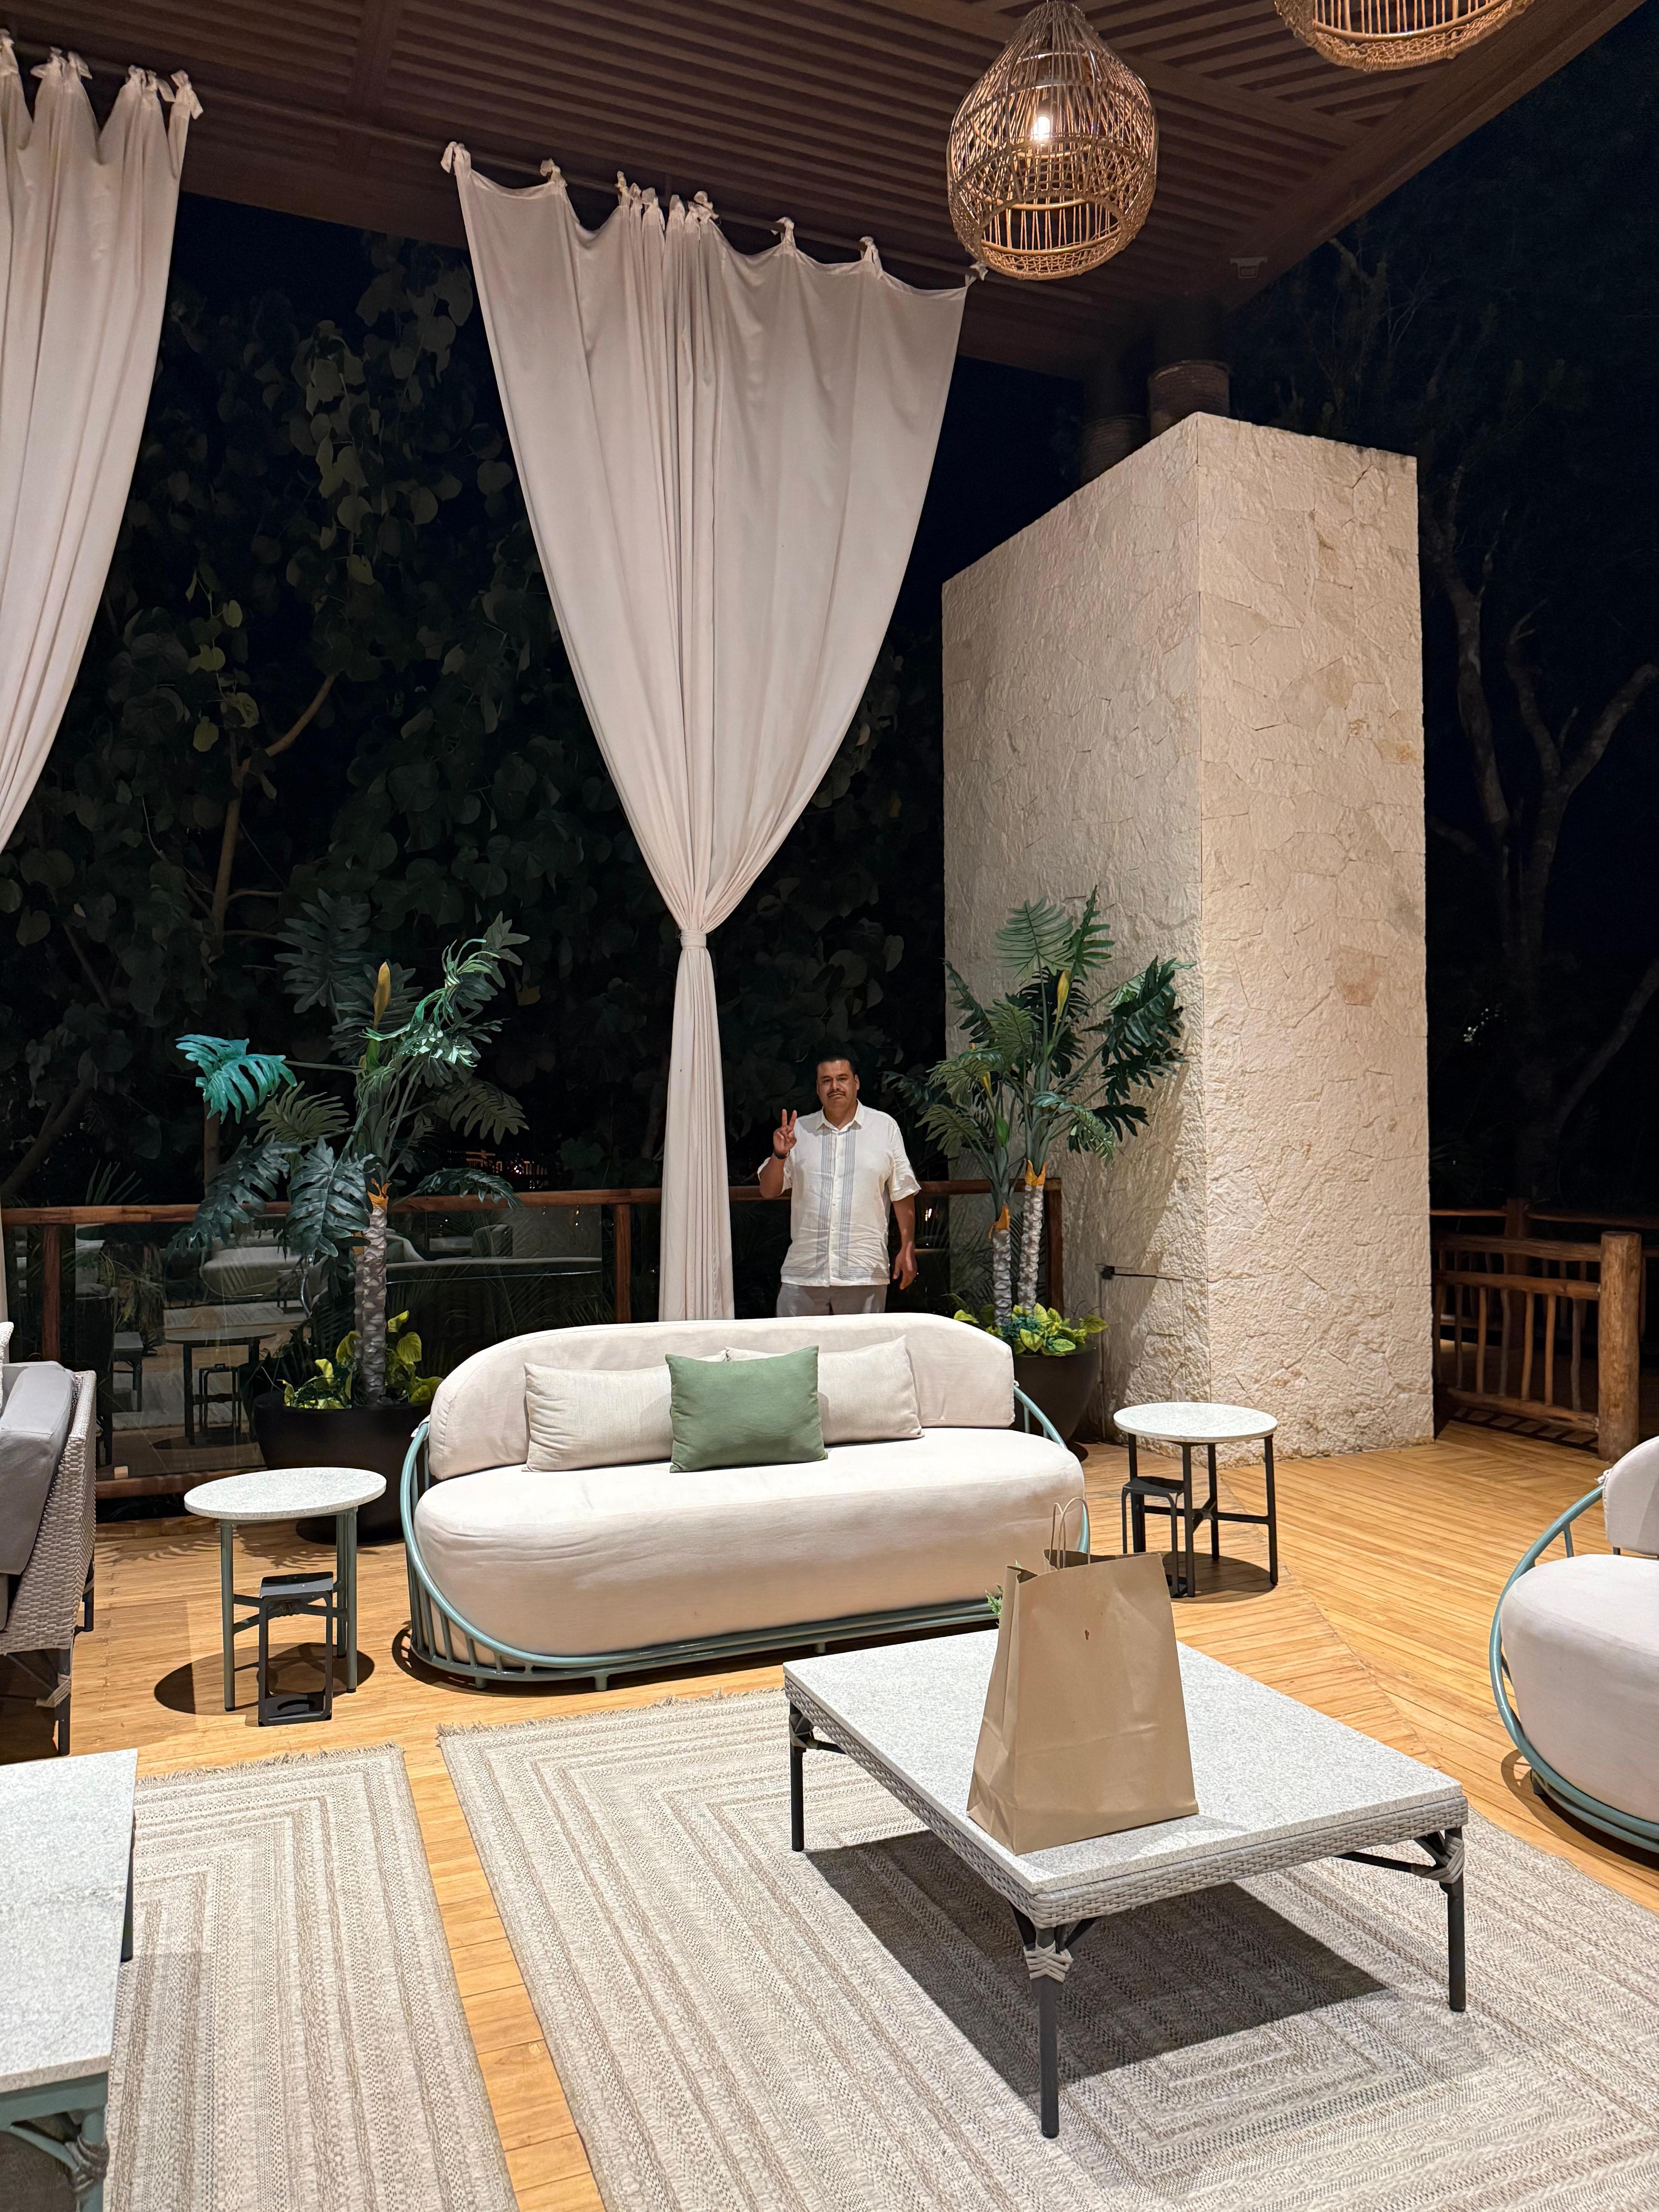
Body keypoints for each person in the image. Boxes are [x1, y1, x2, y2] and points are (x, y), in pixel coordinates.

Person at [756, 1049, 920, 1316]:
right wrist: (779, 1154)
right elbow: (768, 1190)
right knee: (795, 1343)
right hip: (804, 1272)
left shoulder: (884, 1127)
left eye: (842, 1079)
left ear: (856, 1083)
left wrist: (908, 1247)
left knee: (862, 1344)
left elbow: (902, 1192)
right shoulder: (800, 1131)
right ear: (818, 1088)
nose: (835, 1087)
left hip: (864, 1270)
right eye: (827, 1081)